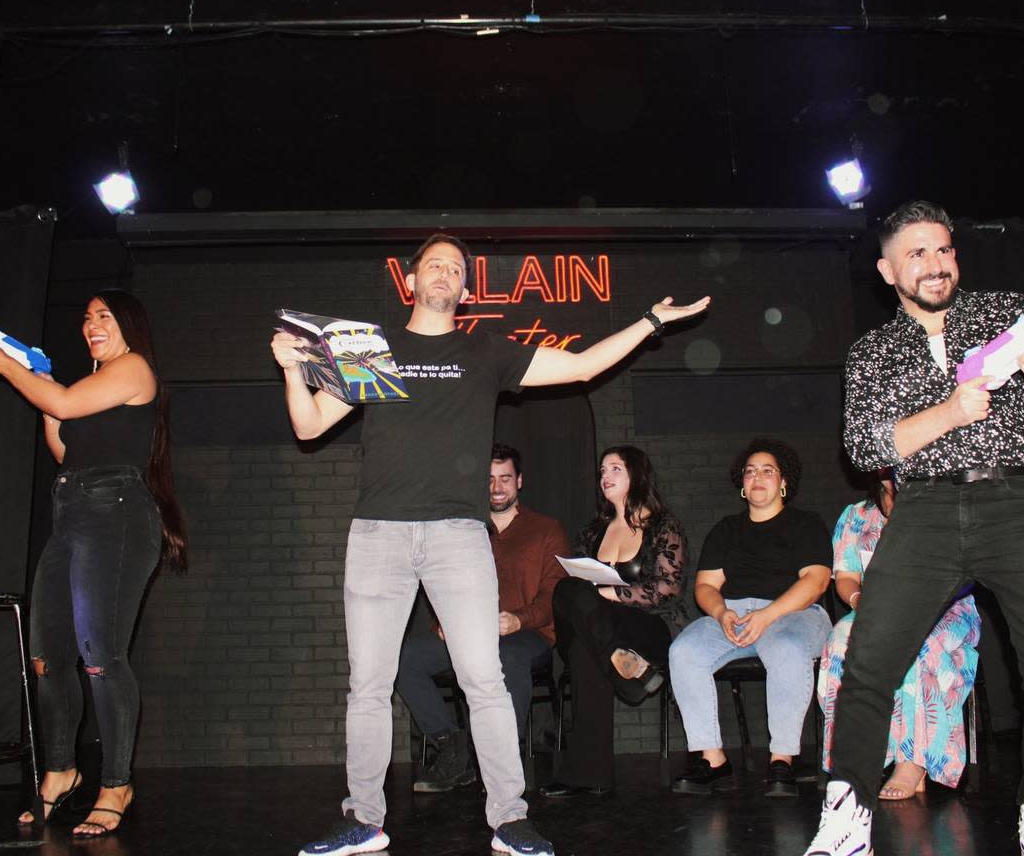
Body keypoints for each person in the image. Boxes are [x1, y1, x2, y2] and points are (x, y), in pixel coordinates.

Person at [270, 233, 710, 856]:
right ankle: (363, 818)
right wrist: (292, 370)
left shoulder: (485, 352)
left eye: (456, 267)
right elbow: (309, 424)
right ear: (413, 280)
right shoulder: (374, 350)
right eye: (434, 264)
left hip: (457, 536)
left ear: (467, 289)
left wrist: (648, 322)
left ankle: (509, 818)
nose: (445, 273)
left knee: (484, 678)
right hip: (378, 534)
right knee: (367, 684)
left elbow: (581, 365)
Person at [802, 200, 1024, 856]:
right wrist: (951, 411)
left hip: (1023, 501)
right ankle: (846, 820)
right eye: (917, 253)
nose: (935, 264)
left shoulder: (1005, 311)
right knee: (867, 663)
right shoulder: (872, 351)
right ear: (887, 269)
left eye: (944, 250)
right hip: (925, 509)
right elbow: (867, 448)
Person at [0, 289, 187, 837]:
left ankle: (116, 783)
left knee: (101, 657)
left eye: (104, 316)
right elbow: (65, 444)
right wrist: (36, 381)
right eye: (87, 318)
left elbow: (63, 405)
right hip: (72, 513)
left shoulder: (135, 368)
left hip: (114, 514)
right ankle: (61, 771)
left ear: (128, 325)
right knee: (48, 656)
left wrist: (8, 367)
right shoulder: (91, 386)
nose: (92, 324)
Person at [396, 442, 567, 793]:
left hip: (528, 635)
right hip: (469, 634)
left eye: (505, 478)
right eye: (488, 479)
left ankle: (504, 760)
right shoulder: (463, 531)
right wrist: (445, 620)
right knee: (403, 659)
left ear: (519, 481)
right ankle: (453, 748)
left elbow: (556, 594)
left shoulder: (547, 529)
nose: (496, 487)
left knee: (506, 656)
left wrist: (519, 619)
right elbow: (440, 583)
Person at [669, 438, 831, 797]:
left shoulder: (806, 524)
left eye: (767, 470)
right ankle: (712, 758)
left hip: (795, 613)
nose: (757, 476)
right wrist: (722, 611)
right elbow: (706, 586)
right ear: (742, 485)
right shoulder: (727, 529)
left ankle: (782, 760)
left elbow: (817, 581)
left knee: (786, 648)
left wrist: (768, 614)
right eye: (750, 471)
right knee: (684, 650)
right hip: (736, 613)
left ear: (784, 482)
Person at [817, 473, 981, 799]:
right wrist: (858, 601)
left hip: (944, 608)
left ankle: (913, 760)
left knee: (914, 643)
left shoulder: (943, 507)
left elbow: (969, 573)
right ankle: (860, 758)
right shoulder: (857, 515)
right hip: (877, 608)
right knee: (840, 641)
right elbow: (846, 577)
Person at [538, 445, 688, 798]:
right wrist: (591, 594)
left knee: (585, 645)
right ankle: (630, 675)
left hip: (650, 626)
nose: (605, 476)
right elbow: (577, 589)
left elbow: (667, 590)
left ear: (636, 474)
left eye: (615, 469)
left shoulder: (662, 526)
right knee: (567, 593)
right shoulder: (594, 531)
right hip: (603, 631)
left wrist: (608, 595)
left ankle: (588, 773)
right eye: (602, 470)